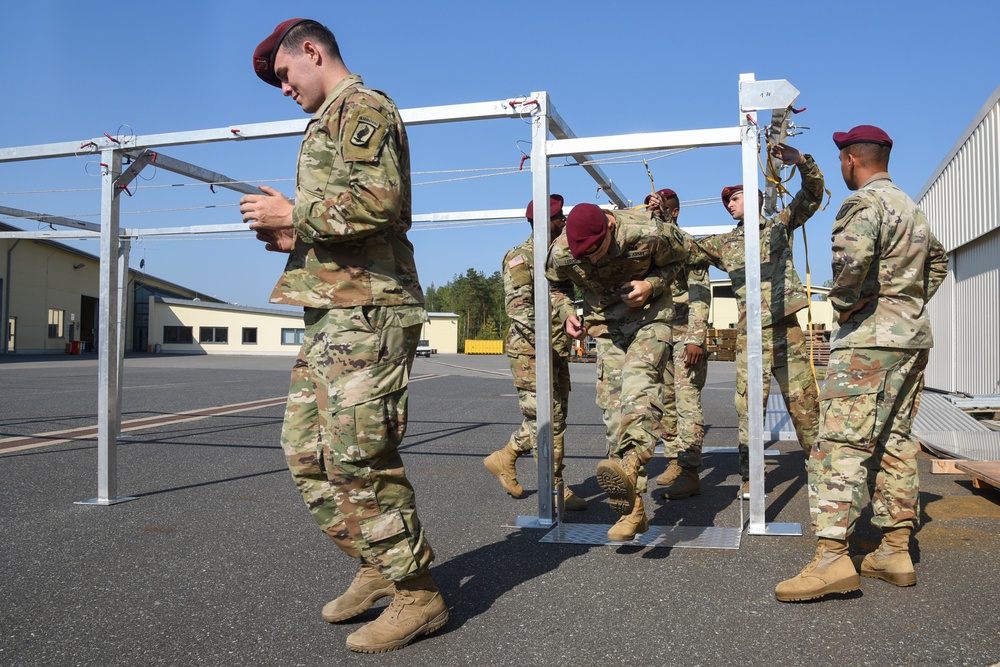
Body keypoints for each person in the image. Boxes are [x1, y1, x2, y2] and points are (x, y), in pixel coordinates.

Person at [239, 18, 447, 653]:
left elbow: (379, 203)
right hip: (332, 314)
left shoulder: (362, 109)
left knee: (359, 452)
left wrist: (293, 213)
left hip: (369, 313)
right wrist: (293, 236)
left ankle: (418, 594)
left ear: (312, 51)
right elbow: (345, 222)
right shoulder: (324, 121)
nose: (282, 89)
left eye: (282, 75)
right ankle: (378, 565)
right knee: (308, 454)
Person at [775, 125, 948, 602]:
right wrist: (905, 303)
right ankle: (894, 549)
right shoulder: (912, 208)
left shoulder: (862, 205)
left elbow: (850, 262)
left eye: (841, 161)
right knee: (894, 439)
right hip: (910, 337)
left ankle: (831, 560)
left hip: (870, 342)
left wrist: (850, 303)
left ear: (851, 160)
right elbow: (938, 262)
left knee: (839, 444)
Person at [546, 203, 688, 540]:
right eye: (585, 256)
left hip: (650, 318)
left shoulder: (648, 232)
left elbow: (685, 261)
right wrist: (567, 313)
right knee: (613, 415)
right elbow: (556, 285)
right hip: (606, 327)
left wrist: (652, 283)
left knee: (637, 390)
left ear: (609, 227)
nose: (593, 261)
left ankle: (631, 466)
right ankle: (634, 509)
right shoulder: (562, 250)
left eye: (597, 251)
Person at [695, 143, 824, 498]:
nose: (731, 203)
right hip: (750, 335)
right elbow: (684, 248)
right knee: (749, 408)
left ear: (753, 199)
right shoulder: (725, 244)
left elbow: (812, 195)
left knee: (804, 403)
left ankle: (821, 469)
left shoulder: (780, 225)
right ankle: (751, 475)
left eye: (736, 197)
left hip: (786, 330)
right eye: (728, 201)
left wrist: (802, 161)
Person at [484, 195, 588, 511]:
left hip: (555, 348)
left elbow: (560, 295)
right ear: (544, 222)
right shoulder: (520, 258)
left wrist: (569, 316)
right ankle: (555, 486)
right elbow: (519, 309)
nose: (565, 222)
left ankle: (506, 456)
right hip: (530, 351)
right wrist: (543, 345)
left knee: (556, 416)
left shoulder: (558, 256)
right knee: (547, 418)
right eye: (560, 218)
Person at [644, 189, 711, 500]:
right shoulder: (648, 247)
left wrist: (697, 337)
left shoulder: (687, 245)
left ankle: (690, 470)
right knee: (666, 401)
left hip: (686, 335)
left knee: (686, 404)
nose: (654, 214)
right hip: (661, 333)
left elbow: (700, 292)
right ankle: (674, 459)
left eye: (660, 209)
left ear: (674, 213)